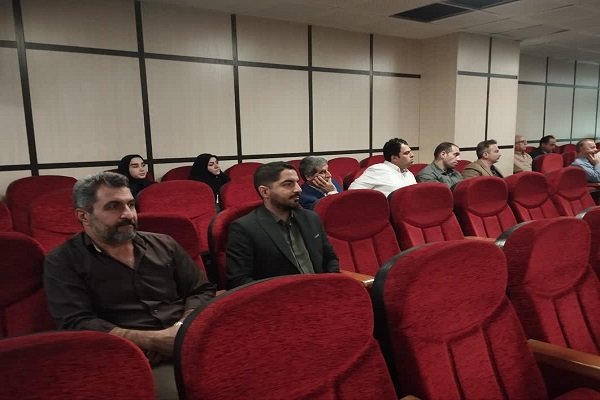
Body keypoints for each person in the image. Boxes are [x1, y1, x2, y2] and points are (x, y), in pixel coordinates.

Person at [44, 172, 216, 399]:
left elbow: (201, 290)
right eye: (113, 206)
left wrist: (180, 328)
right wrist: (153, 340)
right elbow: (75, 322)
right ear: (84, 216)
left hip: (187, 339)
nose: (128, 214)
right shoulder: (62, 261)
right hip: (132, 357)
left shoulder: (164, 244)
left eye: (131, 204)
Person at [226, 162, 339, 289]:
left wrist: (331, 286)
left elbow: (330, 260)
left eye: (297, 182)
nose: (298, 189)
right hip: (277, 297)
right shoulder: (244, 228)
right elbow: (239, 280)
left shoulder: (311, 218)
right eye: (288, 184)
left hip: (321, 291)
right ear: (265, 192)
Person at [348, 138, 416, 197]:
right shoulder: (378, 170)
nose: (412, 155)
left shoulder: (409, 174)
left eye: (411, 152)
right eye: (406, 153)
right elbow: (353, 191)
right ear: (394, 158)